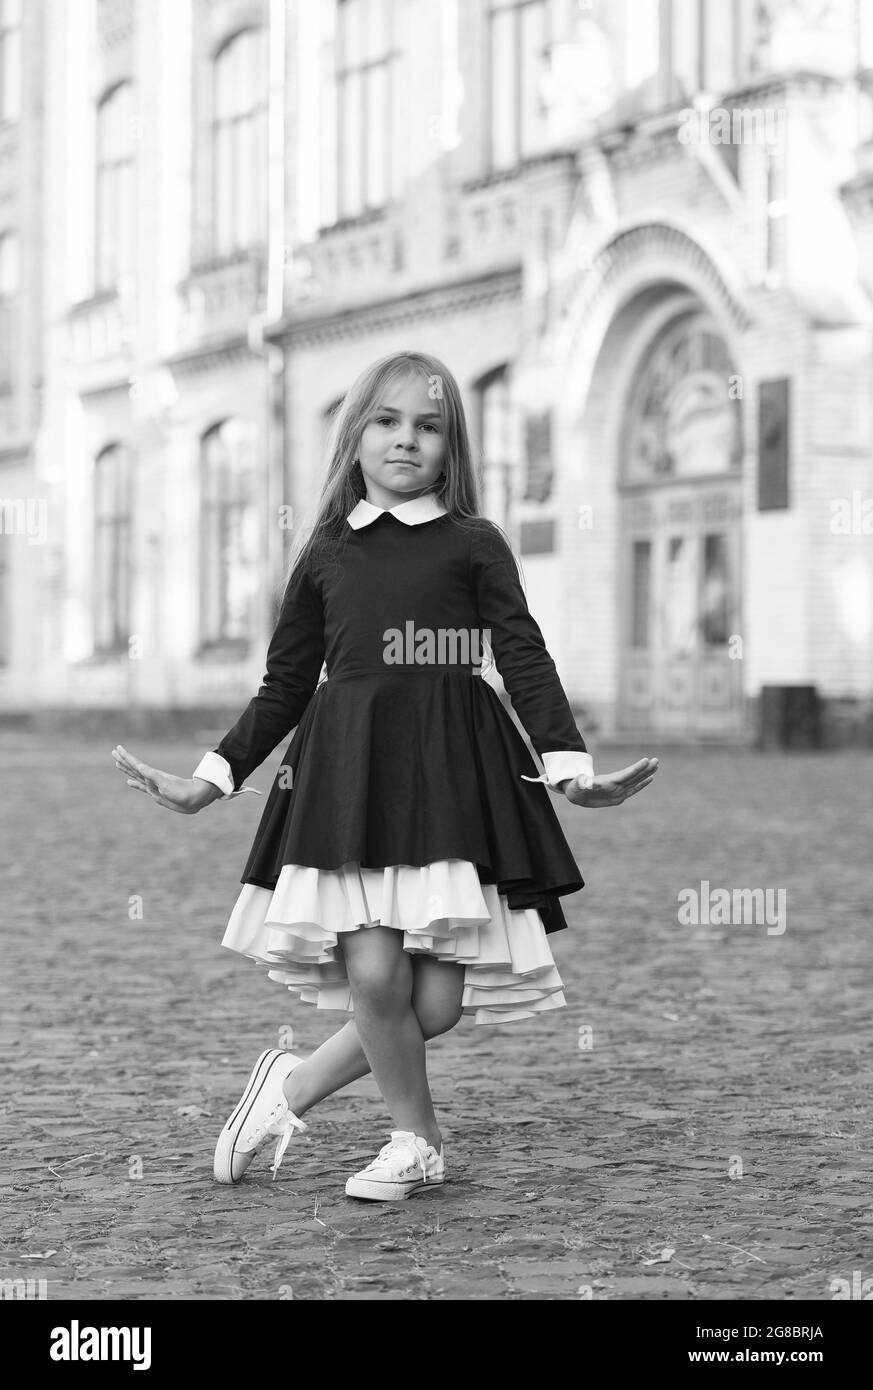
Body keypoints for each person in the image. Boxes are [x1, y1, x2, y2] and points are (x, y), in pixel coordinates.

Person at [112, 349, 658, 1202]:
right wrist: (210, 780)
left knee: (432, 1006)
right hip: (349, 778)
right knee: (374, 976)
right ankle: (417, 1140)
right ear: (357, 434)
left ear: (452, 446)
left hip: (454, 778)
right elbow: (284, 685)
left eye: (429, 427)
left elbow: (523, 656)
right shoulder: (327, 553)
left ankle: (287, 1089)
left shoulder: (474, 543)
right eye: (388, 421)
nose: (407, 440)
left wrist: (568, 769)